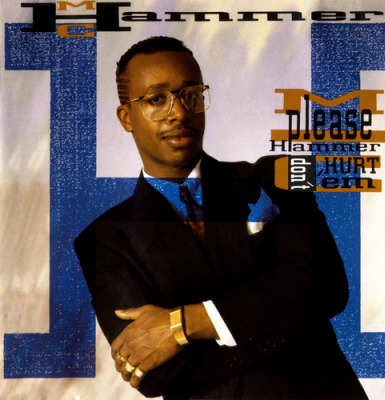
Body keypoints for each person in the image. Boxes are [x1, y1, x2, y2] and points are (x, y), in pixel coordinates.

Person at [74, 36, 368, 400]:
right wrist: (279, 318)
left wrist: (182, 325)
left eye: (190, 94)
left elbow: (326, 286)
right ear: (126, 118)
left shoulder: (280, 172)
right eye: (156, 99)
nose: (179, 112)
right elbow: (152, 372)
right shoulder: (102, 239)